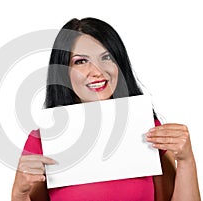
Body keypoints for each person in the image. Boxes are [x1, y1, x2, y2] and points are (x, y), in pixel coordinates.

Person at [11, 18, 201, 201]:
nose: (98, 72)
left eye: (106, 57)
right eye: (81, 61)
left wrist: (186, 161)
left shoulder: (148, 130)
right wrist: (19, 195)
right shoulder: (43, 142)